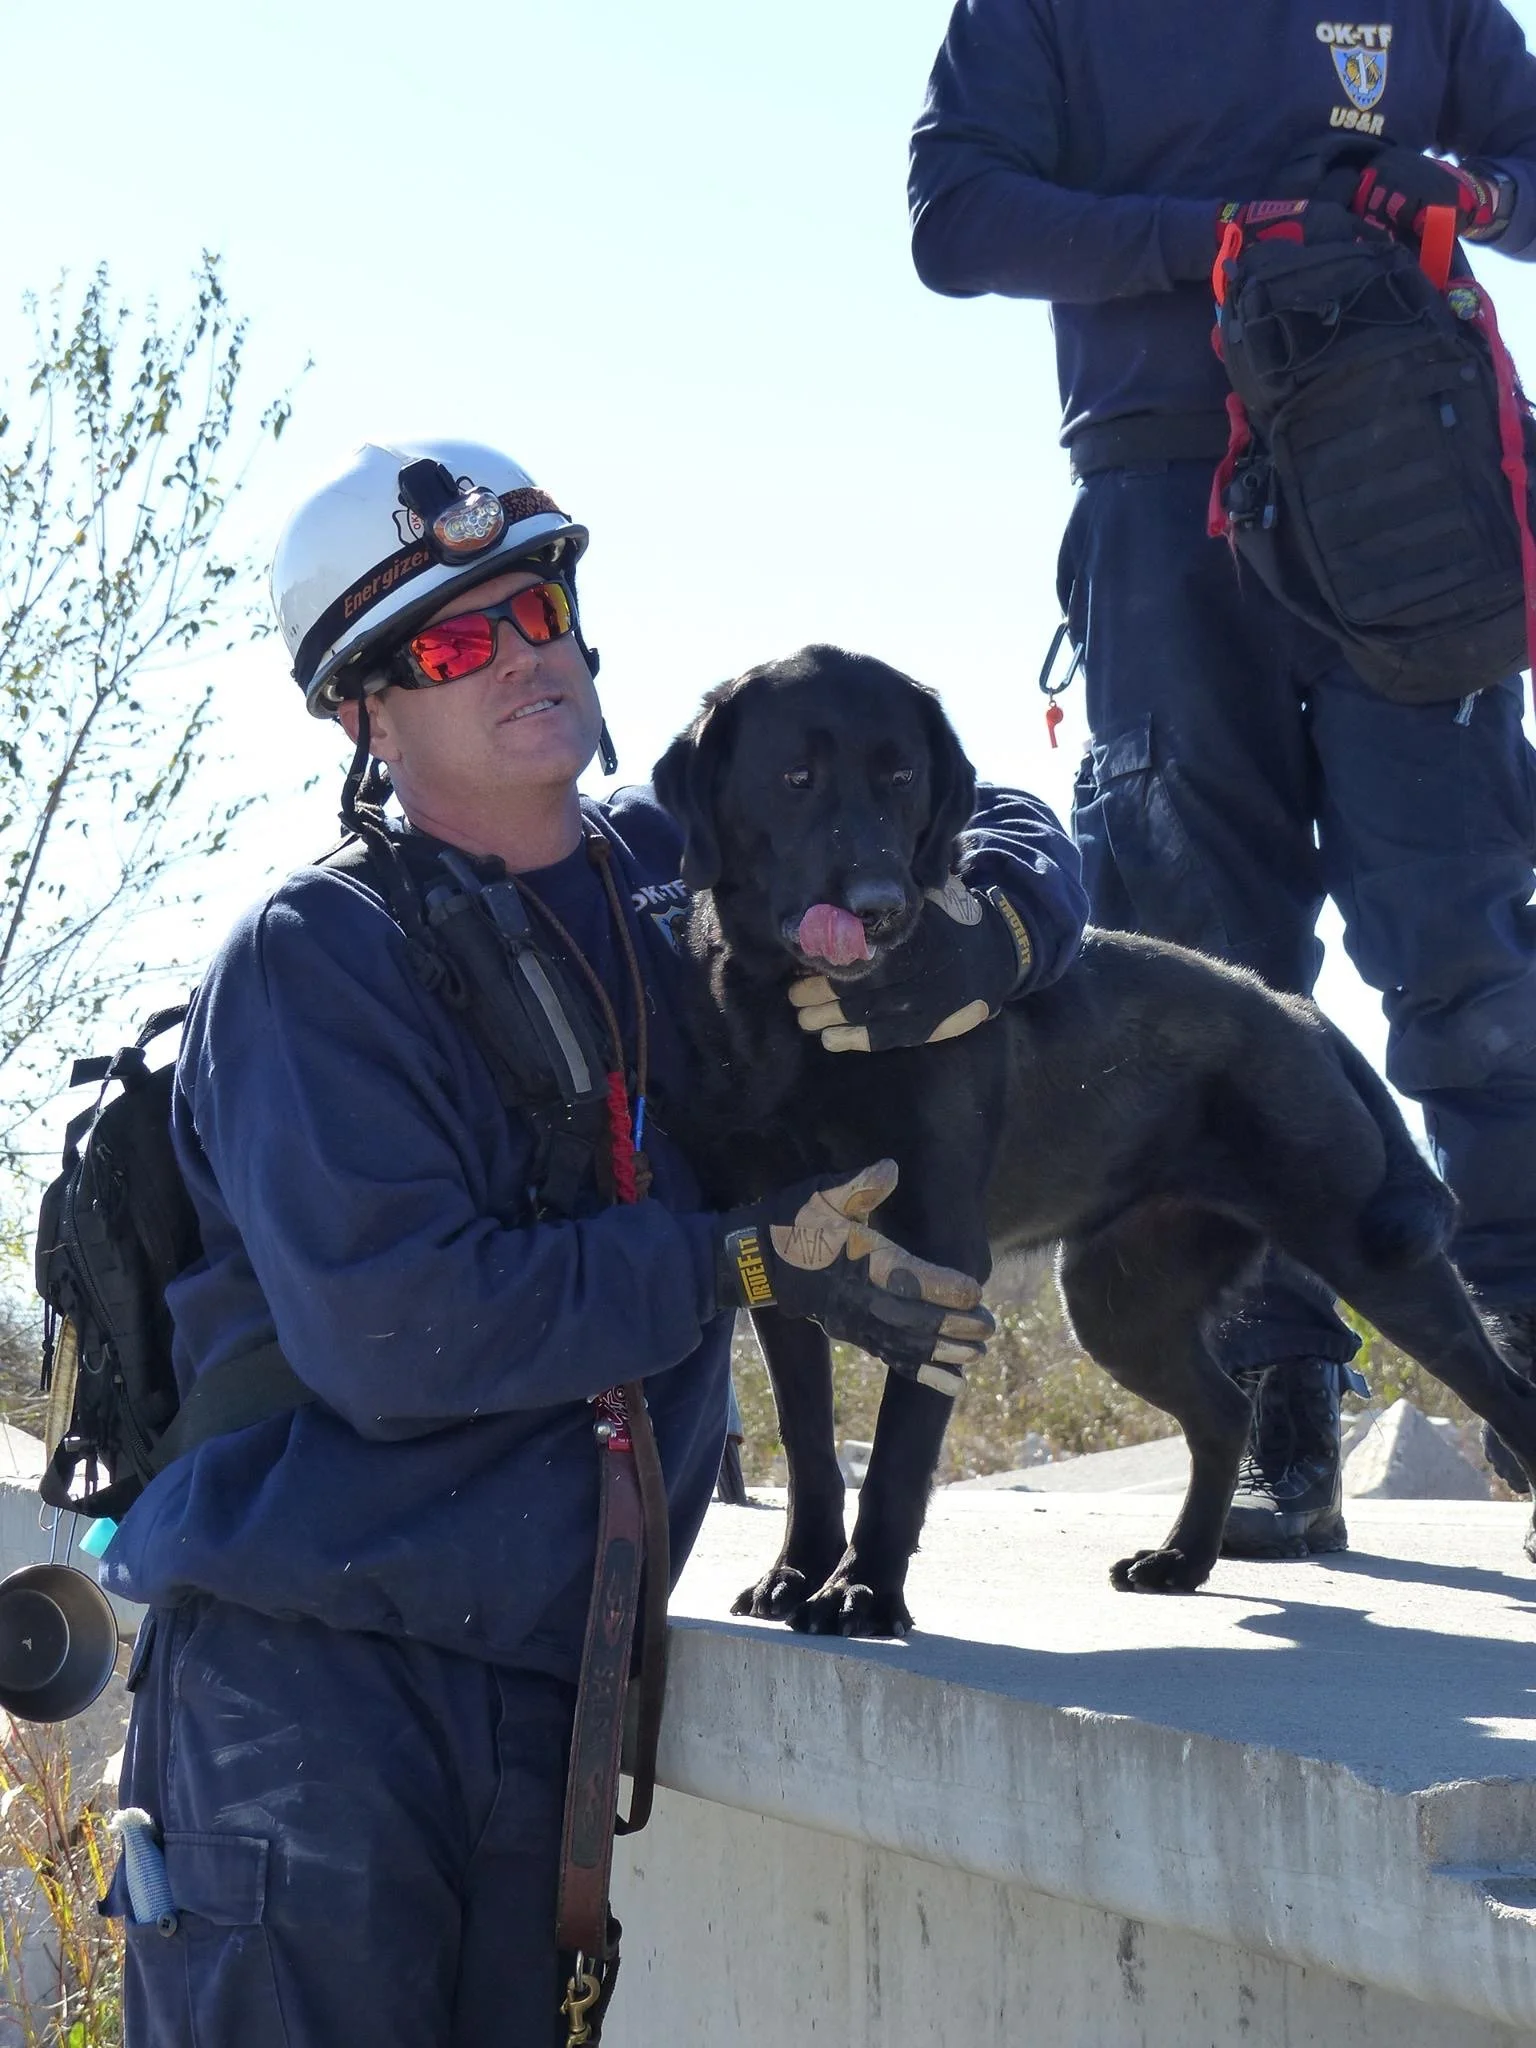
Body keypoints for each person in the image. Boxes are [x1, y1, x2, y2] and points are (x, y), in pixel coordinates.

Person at [99, 438, 1090, 2047]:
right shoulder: (315, 966)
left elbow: (999, 800)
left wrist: (999, 920)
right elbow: (401, 1333)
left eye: (539, 602)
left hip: (547, 1688)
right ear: (361, 710)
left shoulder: (662, 874)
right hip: (314, 1698)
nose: (522, 652)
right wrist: (741, 1262)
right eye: (449, 641)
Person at [908, 1, 1536, 1552]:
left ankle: (1527, 1382)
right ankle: (1275, 1423)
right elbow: (956, 217)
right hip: (1160, 487)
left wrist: (1478, 195)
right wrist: (1214, 237)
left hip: (1409, 475)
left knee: (1467, 949)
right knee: (1205, 976)